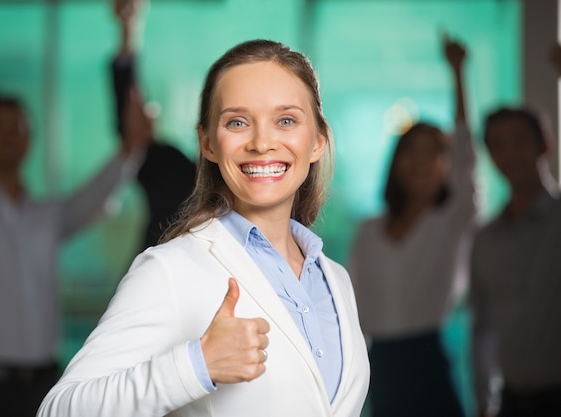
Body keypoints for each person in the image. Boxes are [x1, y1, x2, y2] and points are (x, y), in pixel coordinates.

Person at [37, 39, 370, 417]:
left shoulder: (335, 281)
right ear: (208, 144)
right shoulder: (170, 270)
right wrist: (197, 364)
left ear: (318, 142)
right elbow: (59, 410)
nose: (262, 142)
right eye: (238, 122)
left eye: (286, 120)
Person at [0, 29, 149, 417]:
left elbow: (94, 198)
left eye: (19, 125)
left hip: (46, 384)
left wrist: (131, 149)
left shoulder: (42, 215)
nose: (10, 134)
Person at [348, 35, 475, 417]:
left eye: (432, 152)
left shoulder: (450, 220)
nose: (420, 162)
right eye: (410, 150)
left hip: (428, 355)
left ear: (446, 163)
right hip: (378, 360)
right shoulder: (370, 228)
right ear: (395, 161)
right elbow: (352, 303)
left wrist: (457, 74)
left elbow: (467, 158)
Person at [469, 106, 561, 417]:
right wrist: (484, 398)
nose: (511, 153)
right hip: (510, 401)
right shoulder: (485, 239)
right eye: (498, 145)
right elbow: (484, 327)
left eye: (520, 141)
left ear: (544, 144)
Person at [111, 0, 196, 250]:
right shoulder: (171, 168)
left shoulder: (241, 182)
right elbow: (130, 117)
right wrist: (129, 29)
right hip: (154, 274)